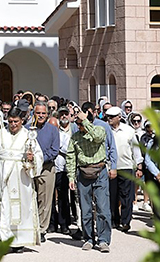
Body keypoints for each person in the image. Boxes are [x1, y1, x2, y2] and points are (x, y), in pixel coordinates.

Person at [0, 107, 43, 249]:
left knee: (23, 208)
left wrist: (31, 159)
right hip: (3, 177)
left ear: (22, 121)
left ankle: (19, 241)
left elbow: (39, 156)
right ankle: (4, 238)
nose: (13, 124)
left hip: (22, 178)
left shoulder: (28, 135)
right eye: (10, 121)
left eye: (16, 121)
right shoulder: (0, 134)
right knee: (4, 207)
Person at [66, 110, 116, 253]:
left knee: (102, 207)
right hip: (83, 173)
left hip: (100, 172)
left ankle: (103, 240)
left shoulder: (99, 130)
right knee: (85, 209)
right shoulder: (75, 137)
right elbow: (71, 157)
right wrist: (71, 176)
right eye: (78, 123)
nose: (79, 126)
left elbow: (98, 138)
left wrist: (85, 121)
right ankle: (88, 238)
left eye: (81, 123)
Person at [106, 106, 144, 233]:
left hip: (126, 166)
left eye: (112, 117)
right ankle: (114, 220)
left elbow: (136, 149)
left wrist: (139, 165)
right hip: (110, 167)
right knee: (112, 195)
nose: (109, 119)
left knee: (126, 195)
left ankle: (126, 221)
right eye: (108, 117)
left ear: (119, 117)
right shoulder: (105, 130)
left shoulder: (129, 130)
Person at [29, 101, 59, 243]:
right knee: (30, 198)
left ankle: (41, 229)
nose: (40, 115)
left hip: (46, 168)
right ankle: (30, 227)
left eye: (43, 113)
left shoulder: (53, 129)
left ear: (47, 115)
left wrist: (39, 159)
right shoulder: (27, 129)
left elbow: (54, 150)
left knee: (45, 200)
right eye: (38, 113)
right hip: (29, 169)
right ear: (33, 113)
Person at [50, 107, 75, 235]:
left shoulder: (74, 130)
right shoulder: (54, 130)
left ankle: (65, 224)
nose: (64, 116)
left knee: (65, 198)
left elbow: (67, 148)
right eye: (62, 114)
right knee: (52, 197)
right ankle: (52, 223)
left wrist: (62, 149)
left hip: (69, 169)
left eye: (66, 114)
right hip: (56, 167)